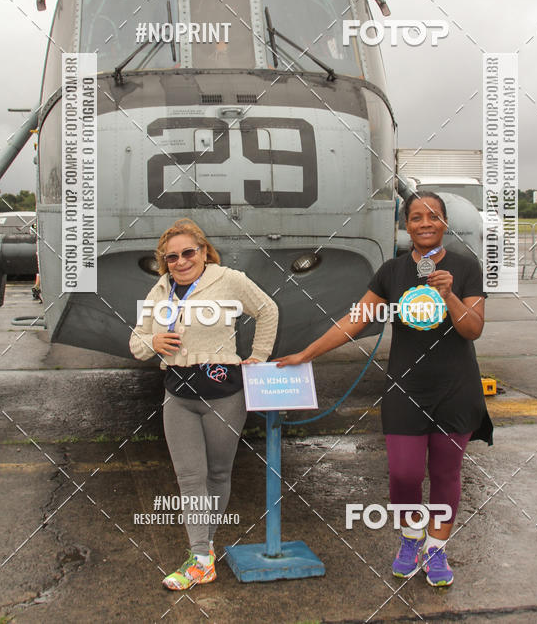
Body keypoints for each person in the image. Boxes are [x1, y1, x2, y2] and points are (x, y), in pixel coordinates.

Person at [276, 191, 492, 587]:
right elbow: (355, 320)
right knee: (405, 473)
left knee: (446, 473)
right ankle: (412, 536)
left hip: (455, 388)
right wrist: (306, 353)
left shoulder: (465, 268)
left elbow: (472, 329)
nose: (424, 224)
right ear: (405, 226)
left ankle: (437, 549)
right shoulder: (391, 272)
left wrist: (449, 296)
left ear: (444, 224)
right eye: (415, 217)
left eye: (433, 217)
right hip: (406, 388)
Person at [130, 218, 278, 589]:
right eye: (172, 257)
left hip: (224, 394)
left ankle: (205, 549)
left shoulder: (228, 279)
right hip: (177, 396)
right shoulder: (160, 290)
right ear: (165, 263)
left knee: (217, 475)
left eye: (188, 253)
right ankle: (199, 557)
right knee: (190, 478)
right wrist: (153, 342)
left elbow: (268, 310)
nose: (180, 262)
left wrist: (258, 356)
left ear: (203, 252)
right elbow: (136, 342)